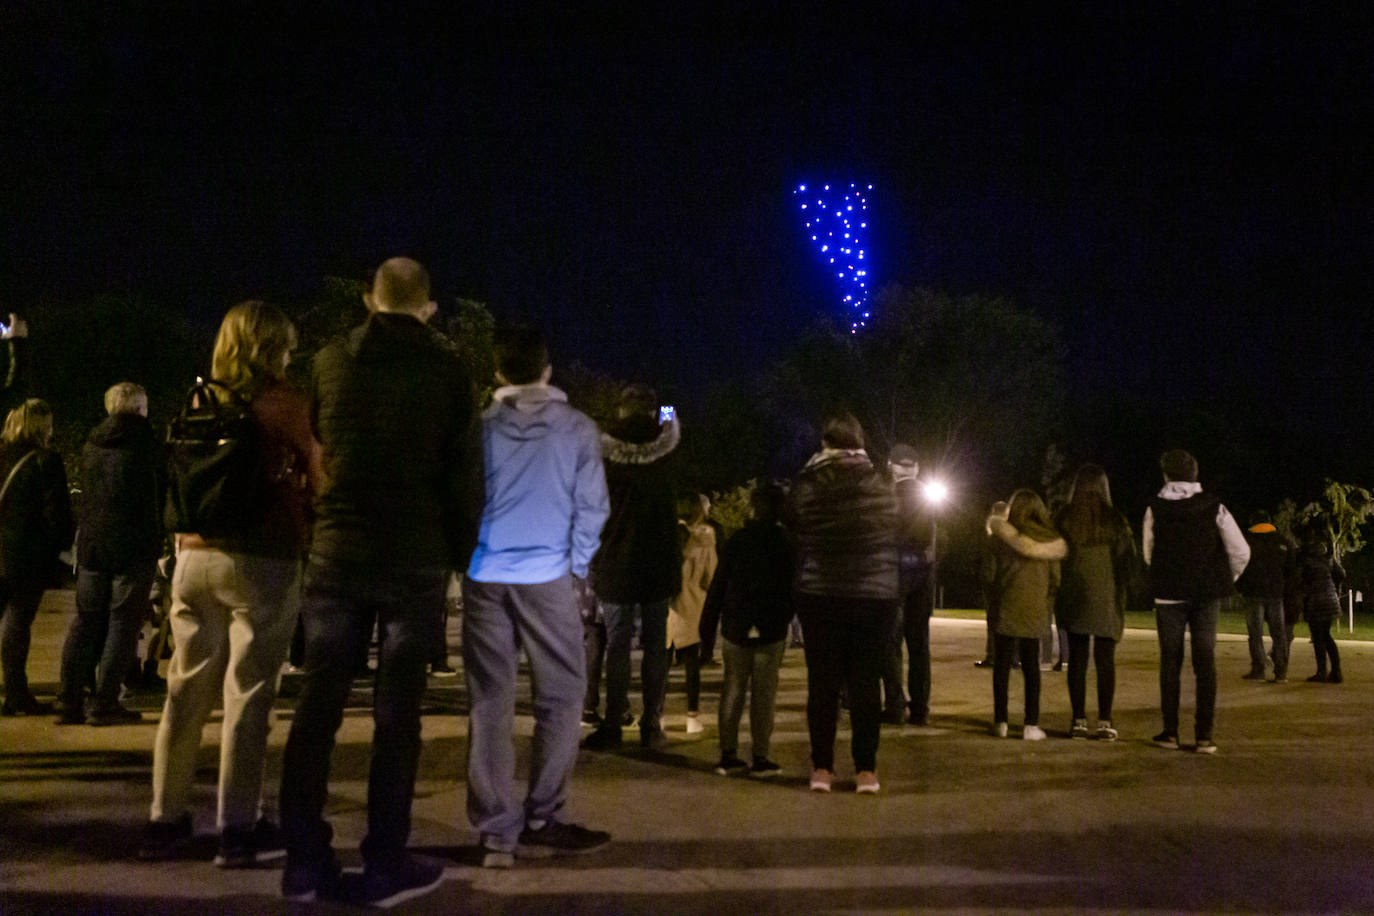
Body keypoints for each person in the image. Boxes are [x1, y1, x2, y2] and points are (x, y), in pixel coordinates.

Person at [279, 258, 484, 906]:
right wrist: (457, 551)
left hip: (339, 550)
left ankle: (305, 858)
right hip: (413, 553)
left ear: (370, 299)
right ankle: (384, 859)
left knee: (318, 706)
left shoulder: (330, 360)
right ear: (426, 307)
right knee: (398, 715)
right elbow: (463, 476)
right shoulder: (449, 371)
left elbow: (317, 446)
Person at [140, 302, 323, 869]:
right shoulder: (283, 406)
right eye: (286, 345)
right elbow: (322, 474)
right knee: (247, 695)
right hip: (261, 557)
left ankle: (164, 817)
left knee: (184, 691)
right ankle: (238, 828)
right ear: (271, 348)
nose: (291, 354)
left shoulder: (200, 400)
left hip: (194, 555)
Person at [462, 325, 611, 868]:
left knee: (489, 700)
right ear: (547, 371)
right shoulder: (577, 429)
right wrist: (575, 565)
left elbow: (461, 497)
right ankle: (544, 814)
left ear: (498, 373)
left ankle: (497, 830)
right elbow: (593, 507)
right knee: (562, 695)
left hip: (486, 571)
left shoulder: (477, 429)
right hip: (547, 573)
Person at [787, 412, 898, 794]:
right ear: (860, 442)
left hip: (822, 592)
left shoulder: (809, 481)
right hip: (874, 593)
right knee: (867, 684)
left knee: (823, 684)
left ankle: (822, 769)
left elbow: (794, 521)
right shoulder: (882, 481)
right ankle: (866, 770)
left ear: (826, 444)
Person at [582, 384, 682, 752]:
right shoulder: (667, 445)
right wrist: (667, 403)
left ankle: (612, 724)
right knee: (656, 646)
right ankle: (651, 725)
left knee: (617, 646)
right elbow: (671, 417)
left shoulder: (603, 448)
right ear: (651, 412)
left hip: (616, 561)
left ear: (621, 410)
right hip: (660, 561)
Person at [55, 382, 162, 726]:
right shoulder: (147, 444)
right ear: (139, 408)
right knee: (122, 624)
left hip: (93, 545)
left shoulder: (92, 443)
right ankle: (104, 702)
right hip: (133, 547)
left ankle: (68, 699)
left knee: (86, 622)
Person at [1142, 449, 1249, 754]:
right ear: (1195, 475)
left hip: (1168, 595)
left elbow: (1148, 552)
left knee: (1170, 664)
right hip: (1205, 596)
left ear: (1166, 475)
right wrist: (1225, 579)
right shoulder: (1214, 506)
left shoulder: (1154, 508)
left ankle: (1170, 733)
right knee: (1205, 664)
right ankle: (1204, 736)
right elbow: (1240, 551)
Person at [706, 482, 795, 777]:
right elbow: (793, 588)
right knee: (763, 695)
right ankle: (760, 755)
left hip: (736, 626)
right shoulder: (786, 542)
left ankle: (728, 754)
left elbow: (719, 585)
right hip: (771, 628)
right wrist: (785, 616)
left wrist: (707, 630)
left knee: (733, 689)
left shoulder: (738, 540)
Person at [0, 398, 74, 716]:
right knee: (17, 621)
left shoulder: (2, 454)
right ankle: (16, 692)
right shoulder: (46, 461)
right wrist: (59, 545)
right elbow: (56, 514)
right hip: (24, 555)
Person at [1053, 465, 1137, 741]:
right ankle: (1105, 720)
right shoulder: (1115, 520)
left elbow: (1055, 557)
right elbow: (1127, 562)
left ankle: (1077, 719)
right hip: (1107, 596)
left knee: (1076, 659)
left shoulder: (1064, 518)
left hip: (1074, 594)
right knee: (1105, 660)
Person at [985, 489, 1066, 740]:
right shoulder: (1049, 543)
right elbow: (1056, 580)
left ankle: (1001, 722)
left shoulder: (998, 539)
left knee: (1001, 667)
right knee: (1031, 668)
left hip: (1005, 607)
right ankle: (1031, 723)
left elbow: (988, 574)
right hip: (1034, 610)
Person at [887, 443, 934, 725]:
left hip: (892, 573)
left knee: (891, 645)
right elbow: (941, 540)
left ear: (890, 468)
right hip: (921, 575)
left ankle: (894, 704)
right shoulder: (929, 499)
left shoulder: (884, 496)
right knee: (919, 646)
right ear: (916, 469)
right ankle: (920, 708)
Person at [667, 491, 717, 735]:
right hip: (692, 605)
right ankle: (692, 717)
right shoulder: (706, 536)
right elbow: (711, 576)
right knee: (691, 665)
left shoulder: (665, 532)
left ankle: (655, 716)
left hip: (664, 606)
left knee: (659, 664)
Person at [1235, 510, 1293, 683]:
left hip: (1253, 593)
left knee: (1255, 633)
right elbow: (1291, 570)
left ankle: (1258, 668)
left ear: (1253, 522)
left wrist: (1240, 587)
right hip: (1275, 593)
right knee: (1279, 633)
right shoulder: (1283, 542)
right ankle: (1281, 672)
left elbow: (1239, 566)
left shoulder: (1247, 541)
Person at [1295, 529, 1343, 684]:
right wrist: (1334, 586)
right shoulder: (1328, 559)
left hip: (1317, 601)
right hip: (1330, 599)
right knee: (1327, 636)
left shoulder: (1306, 561)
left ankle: (1321, 671)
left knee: (1318, 637)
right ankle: (1336, 672)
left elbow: (1301, 580)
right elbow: (1341, 574)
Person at [976, 500, 1010, 668]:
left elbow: (989, 567)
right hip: (1010, 585)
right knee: (1010, 623)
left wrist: (987, 583)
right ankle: (1012, 658)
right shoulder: (1013, 538)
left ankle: (992, 656)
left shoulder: (993, 538)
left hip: (996, 587)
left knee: (993, 623)